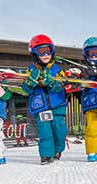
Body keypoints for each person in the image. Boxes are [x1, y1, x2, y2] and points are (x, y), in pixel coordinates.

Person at [22, 34, 68, 165]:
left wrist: (53, 84)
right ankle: (46, 155)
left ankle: (58, 150)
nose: (46, 54)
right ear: (34, 54)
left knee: (60, 131)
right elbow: (24, 89)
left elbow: (63, 85)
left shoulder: (57, 70)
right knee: (45, 131)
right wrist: (30, 82)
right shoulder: (30, 70)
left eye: (48, 51)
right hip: (41, 107)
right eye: (41, 52)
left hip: (57, 106)